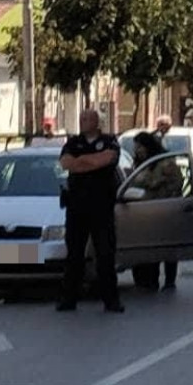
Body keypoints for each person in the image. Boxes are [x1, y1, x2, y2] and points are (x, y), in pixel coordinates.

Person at [56, 109, 122, 313]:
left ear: (97, 121)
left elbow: (107, 159)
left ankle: (111, 300)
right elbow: (67, 164)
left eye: (87, 119)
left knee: (105, 254)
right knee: (74, 255)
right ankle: (69, 299)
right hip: (76, 207)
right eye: (81, 118)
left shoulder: (109, 140)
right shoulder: (73, 142)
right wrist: (91, 162)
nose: (83, 121)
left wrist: (82, 162)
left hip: (101, 207)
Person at [130, 130, 181, 290]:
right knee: (149, 248)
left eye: (140, 147)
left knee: (167, 248)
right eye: (136, 147)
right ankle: (149, 280)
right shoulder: (140, 163)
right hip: (145, 211)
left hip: (165, 209)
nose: (137, 150)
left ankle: (169, 281)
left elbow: (159, 182)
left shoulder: (164, 162)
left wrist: (143, 178)